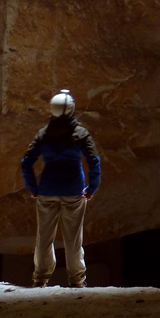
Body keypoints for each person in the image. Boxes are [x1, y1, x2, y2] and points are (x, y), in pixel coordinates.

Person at [21, 88, 101, 288]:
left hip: (47, 190)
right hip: (74, 191)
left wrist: (33, 187)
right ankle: (76, 281)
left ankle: (40, 279)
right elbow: (93, 161)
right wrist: (92, 187)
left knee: (44, 238)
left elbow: (26, 162)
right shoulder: (81, 134)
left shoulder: (43, 134)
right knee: (73, 239)